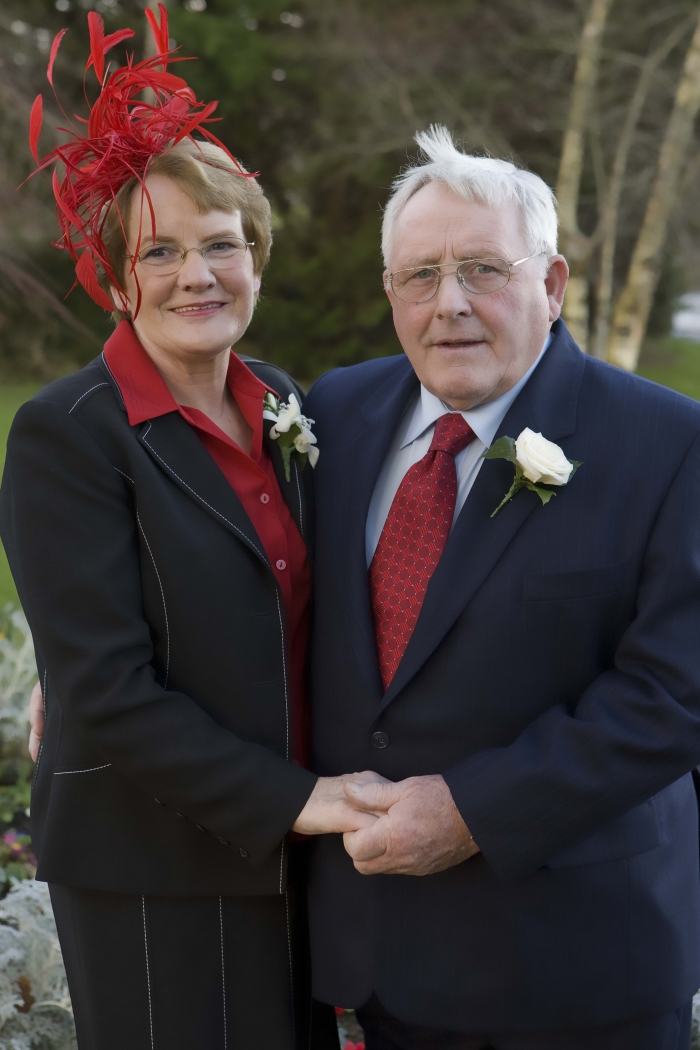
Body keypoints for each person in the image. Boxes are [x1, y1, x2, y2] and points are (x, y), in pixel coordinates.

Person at [1, 12, 376, 1049]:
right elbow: (106, 691)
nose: (195, 275)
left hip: (296, 848)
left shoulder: (283, 403)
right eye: (157, 253)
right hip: (151, 861)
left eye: (221, 245)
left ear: (255, 257)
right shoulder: (65, 436)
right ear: (117, 282)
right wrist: (298, 801)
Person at [302, 126, 700, 1049]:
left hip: (578, 965)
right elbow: (255, 581)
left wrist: (475, 812)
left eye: (482, 269)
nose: (449, 304)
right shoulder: (334, 414)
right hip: (383, 954)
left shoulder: (668, 444)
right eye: (419, 276)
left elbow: (673, 693)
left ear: (551, 286)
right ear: (391, 293)